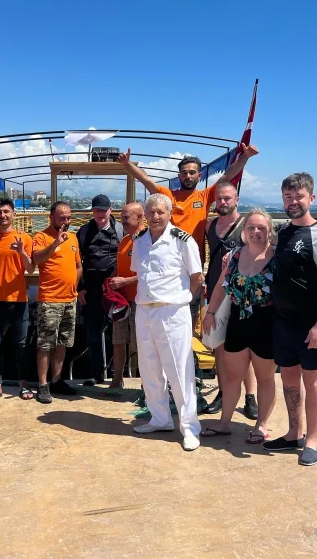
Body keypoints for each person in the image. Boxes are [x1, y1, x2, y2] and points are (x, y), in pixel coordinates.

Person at [117, 145, 258, 326]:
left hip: (193, 269)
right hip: (169, 267)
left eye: (192, 172)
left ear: (199, 175)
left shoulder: (205, 196)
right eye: (184, 173)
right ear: (179, 176)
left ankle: (187, 342)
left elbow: (227, 175)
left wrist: (245, 157)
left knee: (189, 317)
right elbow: (146, 180)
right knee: (166, 314)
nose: (188, 176)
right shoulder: (169, 197)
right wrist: (127, 164)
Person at [263, 173, 317, 466]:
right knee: (289, 379)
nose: (293, 202)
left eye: (299, 196)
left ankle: (312, 440)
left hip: (311, 323)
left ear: (311, 198)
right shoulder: (283, 232)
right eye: (288, 197)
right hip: (283, 321)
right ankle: (294, 433)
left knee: (313, 381)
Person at [131, 194, 204, 452]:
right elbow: (141, 276)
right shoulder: (139, 241)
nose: (155, 216)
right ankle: (160, 419)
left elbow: (197, 277)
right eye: (151, 212)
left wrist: (182, 301)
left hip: (172, 312)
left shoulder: (182, 240)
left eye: (160, 212)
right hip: (144, 311)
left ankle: (190, 427)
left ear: (170, 214)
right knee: (149, 369)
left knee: (180, 371)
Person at [201, 209, 277, 443]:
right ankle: (224, 423)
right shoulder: (234, 255)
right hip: (237, 322)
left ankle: (261, 425)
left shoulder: (277, 257)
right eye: (251, 227)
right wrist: (210, 313)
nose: (256, 232)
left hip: (266, 324)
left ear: (270, 231)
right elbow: (221, 286)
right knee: (232, 376)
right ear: (244, 231)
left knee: (265, 378)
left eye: (261, 228)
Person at [203, 182, 258, 418]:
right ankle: (223, 392)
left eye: (227, 198)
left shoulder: (246, 226)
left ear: (236, 200)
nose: (223, 202)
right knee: (219, 347)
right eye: (219, 199)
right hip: (216, 292)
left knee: (244, 347)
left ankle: (250, 396)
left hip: (240, 294)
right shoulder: (210, 226)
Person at [0, 197, 35, 402]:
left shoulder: (25, 238)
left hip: (18, 299)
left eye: (6, 212)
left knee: (21, 344)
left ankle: (23, 384)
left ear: (14, 214)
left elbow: (30, 268)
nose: (2, 215)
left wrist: (21, 251)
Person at [31, 201, 83, 403]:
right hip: (49, 299)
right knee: (45, 344)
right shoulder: (41, 237)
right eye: (62, 218)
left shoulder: (73, 238)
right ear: (51, 217)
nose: (66, 221)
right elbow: (37, 260)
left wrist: (74, 286)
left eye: (68, 218)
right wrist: (55, 244)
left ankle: (57, 380)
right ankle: (42, 384)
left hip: (70, 300)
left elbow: (78, 266)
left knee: (63, 342)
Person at [77, 194, 123, 386]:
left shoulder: (120, 230)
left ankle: (115, 373)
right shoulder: (84, 231)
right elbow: (77, 261)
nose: (100, 214)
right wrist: (80, 288)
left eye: (103, 210)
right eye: (97, 210)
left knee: (116, 334)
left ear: (110, 210)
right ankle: (97, 373)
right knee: (93, 334)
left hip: (114, 291)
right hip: (91, 290)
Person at [107, 201, 144, 389]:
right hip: (122, 300)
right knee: (118, 341)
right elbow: (121, 266)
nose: (122, 221)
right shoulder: (124, 240)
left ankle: (146, 384)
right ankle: (117, 380)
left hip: (140, 300)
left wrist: (125, 281)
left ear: (140, 217)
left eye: (126, 217)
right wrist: (111, 280)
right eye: (121, 217)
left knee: (141, 344)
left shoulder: (147, 240)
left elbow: (151, 273)